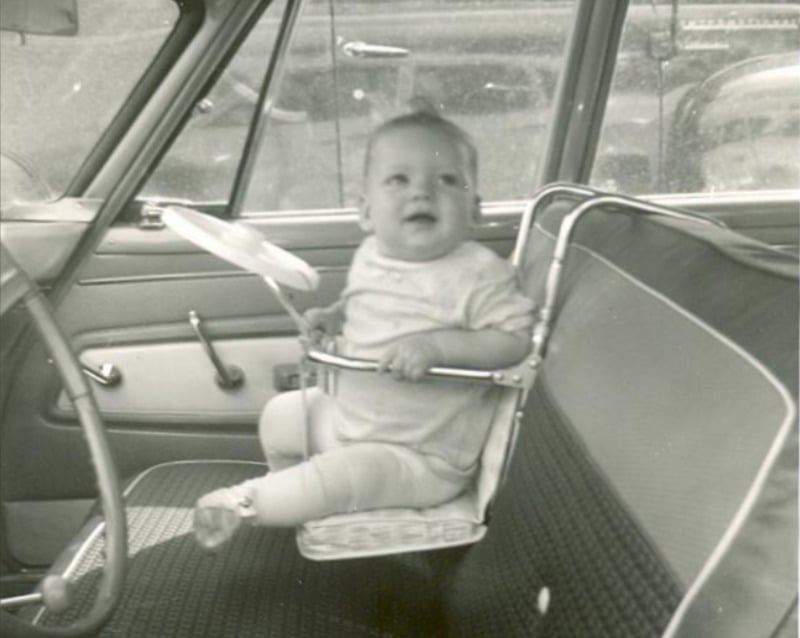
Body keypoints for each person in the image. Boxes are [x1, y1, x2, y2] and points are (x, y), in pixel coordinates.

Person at [194, 110, 535, 550]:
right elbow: (366, 305)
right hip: (352, 420)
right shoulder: (371, 253)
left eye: (448, 180)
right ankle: (290, 489)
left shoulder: (480, 274)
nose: (422, 192)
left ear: (476, 210)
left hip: (420, 458)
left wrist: (438, 346)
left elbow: (514, 341)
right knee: (280, 416)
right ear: (365, 212)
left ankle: (241, 504)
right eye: (398, 179)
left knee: (341, 477)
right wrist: (334, 317)